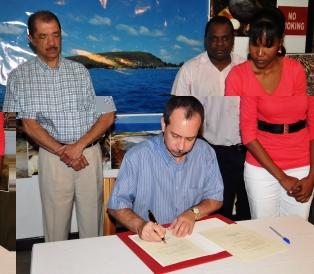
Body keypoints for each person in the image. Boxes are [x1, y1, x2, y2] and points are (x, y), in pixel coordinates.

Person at [3, 11, 116, 242]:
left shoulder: (80, 72)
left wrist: (78, 147)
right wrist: (63, 151)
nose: (51, 43)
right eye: (43, 36)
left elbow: (107, 111)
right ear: (31, 39)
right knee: (55, 228)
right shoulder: (18, 77)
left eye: (55, 35)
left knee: (93, 226)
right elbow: (17, 123)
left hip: (88, 156)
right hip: (53, 160)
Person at [225, 7, 314, 219]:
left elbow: (312, 124)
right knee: (266, 236)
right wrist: (283, 178)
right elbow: (247, 134)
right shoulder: (239, 76)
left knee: (297, 235)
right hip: (261, 169)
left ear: (280, 41)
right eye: (255, 44)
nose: (260, 53)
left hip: (302, 166)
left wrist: (312, 176)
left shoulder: (297, 71)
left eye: (268, 45)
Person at [107, 96, 223, 242]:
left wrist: (193, 213)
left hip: (191, 238)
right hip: (150, 240)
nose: (181, 147)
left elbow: (216, 197)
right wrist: (140, 226)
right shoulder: (137, 156)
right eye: (175, 136)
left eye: (189, 139)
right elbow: (116, 206)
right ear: (163, 125)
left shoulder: (205, 153)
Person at [171, 16, 250, 221]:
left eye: (225, 38)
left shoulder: (247, 69)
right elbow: (177, 113)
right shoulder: (190, 70)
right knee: (216, 213)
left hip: (249, 151)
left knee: (249, 210)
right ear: (206, 39)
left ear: (233, 39)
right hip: (212, 153)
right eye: (214, 38)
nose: (220, 43)